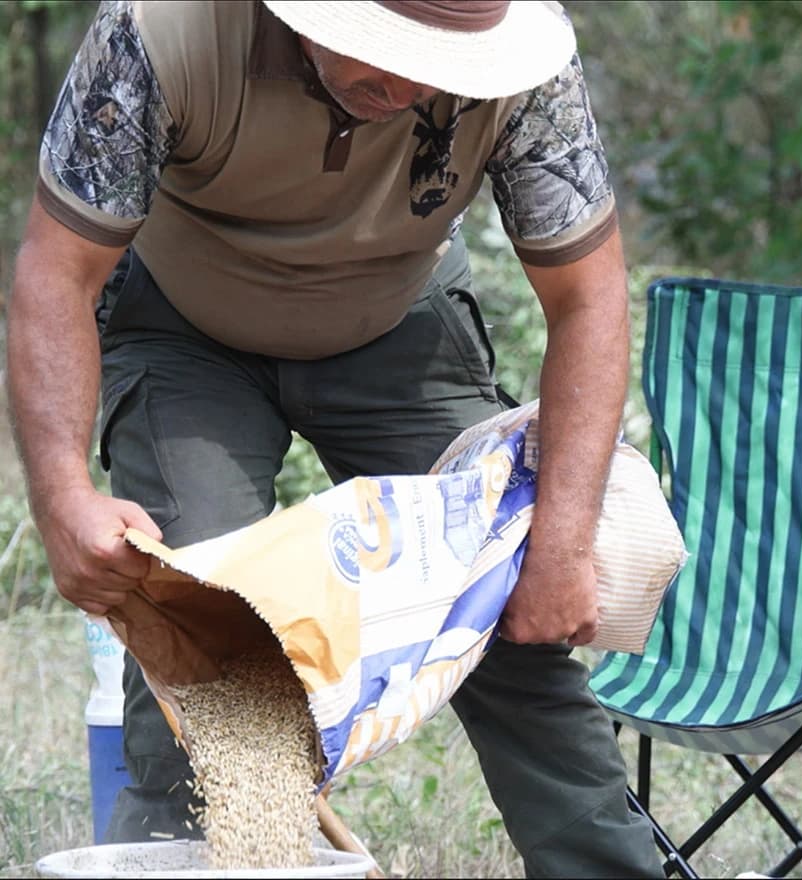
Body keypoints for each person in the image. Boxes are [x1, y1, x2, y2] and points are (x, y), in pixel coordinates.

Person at [6, 1, 661, 876]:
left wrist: (563, 543)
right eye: (381, 51)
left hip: (399, 316)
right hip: (186, 324)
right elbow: (57, 271)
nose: (410, 85)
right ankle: (178, 858)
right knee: (196, 605)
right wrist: (60, 494)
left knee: (506, 590)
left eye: (439, 64)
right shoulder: (164, 28)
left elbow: (589, 298)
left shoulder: (519, 64)